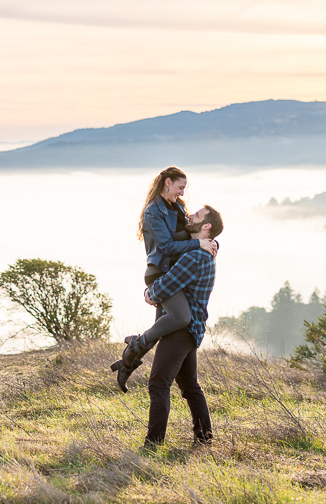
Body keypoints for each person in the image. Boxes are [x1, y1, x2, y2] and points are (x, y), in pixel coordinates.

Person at [111, 167, 217, 392]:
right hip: (160, 272)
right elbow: (168, 246)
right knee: (180, 318)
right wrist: (200, 244)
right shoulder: (153, 212)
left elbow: (193, 231)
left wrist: (212, 242)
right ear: (167, 182)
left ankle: (127, 364)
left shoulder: (178, 207)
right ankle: (134, 346)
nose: (182, 193)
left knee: (162, 329)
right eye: (180, 188)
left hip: (174, 273)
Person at [142, 204, 223, 446]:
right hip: (192, 330)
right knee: (189, 386)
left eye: (196, 215)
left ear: (206, 226)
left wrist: (149, 293)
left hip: (180, 331)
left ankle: (153, 443)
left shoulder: (195, 256)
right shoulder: (203, 252)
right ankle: (204, 439)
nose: (190, 215)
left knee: (158, 383)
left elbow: (167, 286)